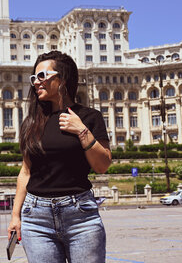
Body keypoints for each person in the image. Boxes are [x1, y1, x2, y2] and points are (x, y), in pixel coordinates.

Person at [7, 51, 111, 263]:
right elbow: (25, 172)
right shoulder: (32, 123)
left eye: (42, 76)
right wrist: (15, 216)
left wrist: (81, 130)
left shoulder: (89, 117)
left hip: (80, 217)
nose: (36, 83)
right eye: (34, 78)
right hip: (37, 220)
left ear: (62, 78)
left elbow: (102, 165)